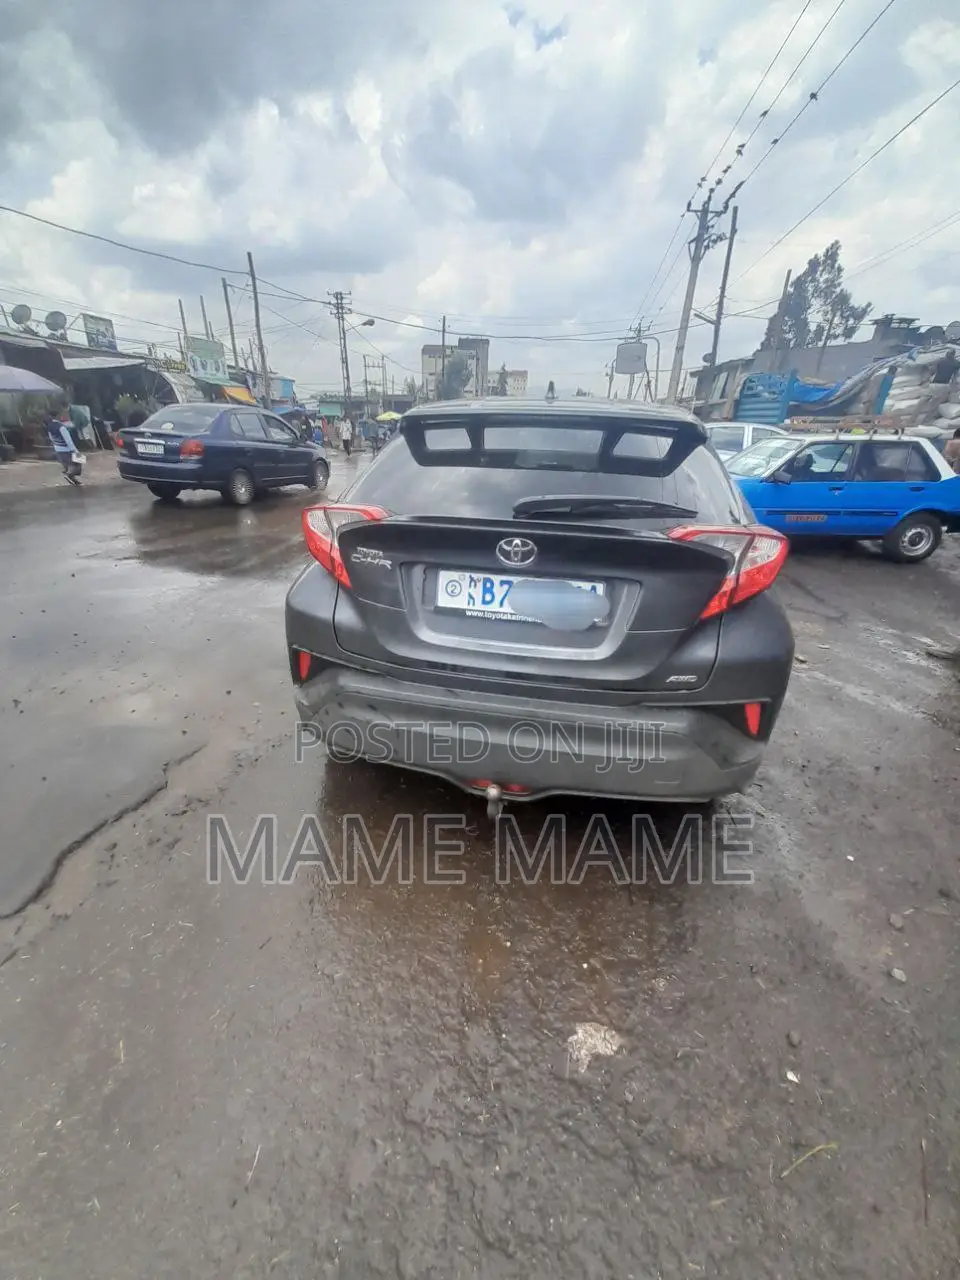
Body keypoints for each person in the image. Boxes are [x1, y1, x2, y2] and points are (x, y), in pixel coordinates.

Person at [46, 405, 83, 485]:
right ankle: (69, 475)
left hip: (58, 449)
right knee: (79, 461)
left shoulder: (49, 426)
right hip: (67, 449)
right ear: (58, 416)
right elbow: (68, 440)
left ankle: (73, 479)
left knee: (69, 464)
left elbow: (51, 438)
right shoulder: (61, 427)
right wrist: (75, 450)